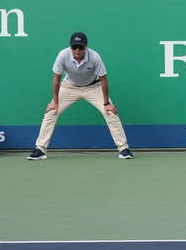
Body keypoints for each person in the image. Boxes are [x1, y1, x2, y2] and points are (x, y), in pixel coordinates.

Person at [27, 32, 134, 160]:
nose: (77, 50)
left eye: (80, 47)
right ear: (70, 47)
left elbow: (104, 80)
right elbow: (56, 79)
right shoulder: (63, 55)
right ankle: (40, 149)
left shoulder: (95, 57)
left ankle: (124, 149)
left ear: (86, 47)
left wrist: (106, 103)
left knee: (111, 113)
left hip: (94, 87)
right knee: (51, 112)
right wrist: (55, 101)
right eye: (74, 47)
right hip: (69, 87)